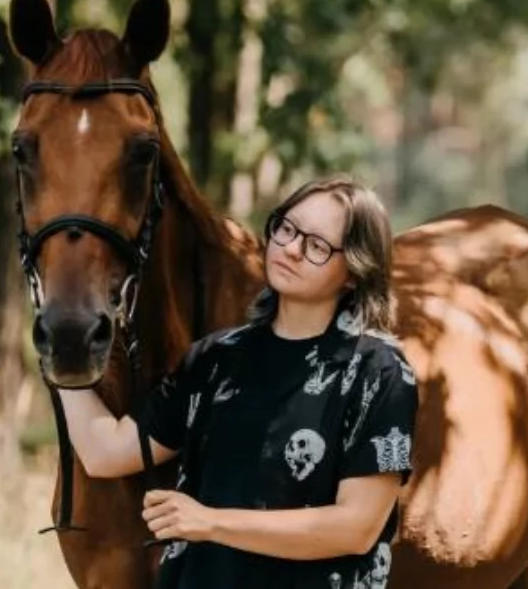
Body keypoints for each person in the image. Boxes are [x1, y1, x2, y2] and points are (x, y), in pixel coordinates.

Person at [58, 174, 418, 589]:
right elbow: (106, 451)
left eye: (317, 246)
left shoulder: (378, 370)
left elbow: (356, 529)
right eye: (287, 228)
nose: (292, 249)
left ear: (354, 272)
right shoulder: (216, 359)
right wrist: (61, 353)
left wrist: (209, 522)